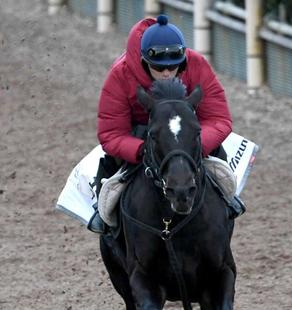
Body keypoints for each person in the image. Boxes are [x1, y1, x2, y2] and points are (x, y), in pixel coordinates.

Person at [88, 14, 245, 233]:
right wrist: (142, 149)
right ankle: (103, 215)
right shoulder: (120, 75)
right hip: (142, 139)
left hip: (187, 136)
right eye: (159, 67)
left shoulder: (197, 64)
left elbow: (218, 119)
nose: (167, 72)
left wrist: (195, 145)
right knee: (109, 168)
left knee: (220, 164)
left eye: (173, 66)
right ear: (144, 60)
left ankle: (229, 200)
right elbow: (111, 134)